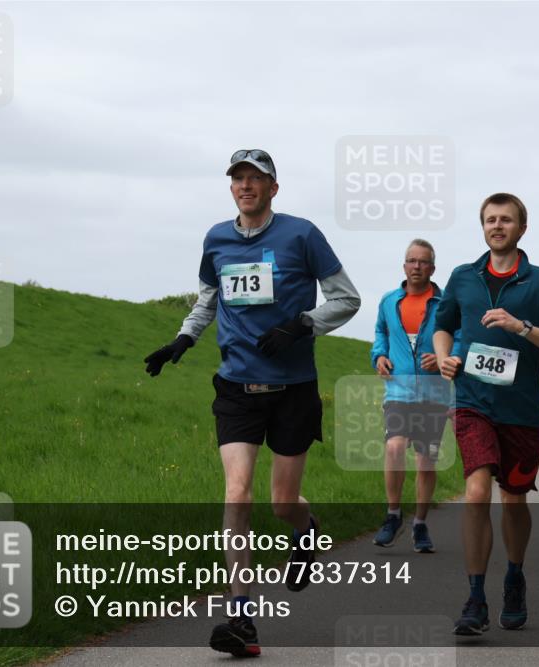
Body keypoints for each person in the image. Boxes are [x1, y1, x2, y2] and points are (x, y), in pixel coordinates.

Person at [143, 149, 361, 657]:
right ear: (232, 187)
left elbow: (346, 298)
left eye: (255, 179)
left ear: (273, 188)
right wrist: (183, 339)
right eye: (238, 178)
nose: (246, 186)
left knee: (282, 502)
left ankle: (305, 529)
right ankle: (239, 616)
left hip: (293, 391)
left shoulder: (301, 235)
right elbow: (209, 298)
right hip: (236, 388)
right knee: (237, 494)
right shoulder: (216, 239)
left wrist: (303, 323)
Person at [433, 192, 539, 635]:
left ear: (521, 228)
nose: (498, 226)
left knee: (514, 499)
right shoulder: (463, 277)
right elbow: (443, 324)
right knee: (477, 491)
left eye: (506, 220)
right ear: (483, 227)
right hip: (474, 403)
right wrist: (443, 358)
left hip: (521, 410)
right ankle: (475, 598)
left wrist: (522, 327)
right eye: (491, 220)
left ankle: (514, 574)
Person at [370, 239, 454, 553]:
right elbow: (380, 332)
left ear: (432, 268)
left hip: (434, 392)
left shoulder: (446, 303)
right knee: (394, 447)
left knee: (426, 461)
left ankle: (419, 523)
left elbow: (458, 338)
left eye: (423, 262)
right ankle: (393, 515)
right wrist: (378, 356)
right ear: (404, 265)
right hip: (398, 390)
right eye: (411, 261)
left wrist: (444, 358)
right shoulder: (389, 301)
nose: (416, 266)